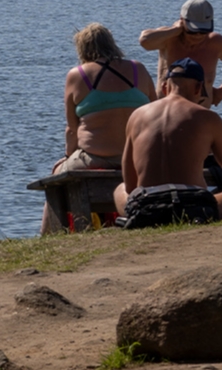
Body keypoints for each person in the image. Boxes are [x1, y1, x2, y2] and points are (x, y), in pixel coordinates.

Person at [112, 59, 222, 228]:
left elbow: (131, 185)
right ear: (198, 88)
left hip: (147, 209)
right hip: (195, 208)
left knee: (120, 189)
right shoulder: (209, 118)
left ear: (164, 88)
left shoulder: (137, 116)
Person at [41, 23, 156, 233]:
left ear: (82, 49)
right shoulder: (138, 69)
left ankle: (48, 235)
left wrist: (68, 157)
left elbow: (72, 130)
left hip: (95, 157)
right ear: (111, 44)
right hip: (137, 157)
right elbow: (155, 111)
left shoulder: (77, 75)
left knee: (55, 177)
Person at [138, 0, 222, 106]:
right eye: (193, 30)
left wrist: (221, 93)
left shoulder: (216, 43)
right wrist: (175, 29)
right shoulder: (168, 38)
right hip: (165, 115)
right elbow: (144, 41)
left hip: (199, 118)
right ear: (182, 21)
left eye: (203, 31)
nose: (198, 35)